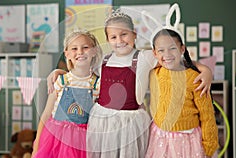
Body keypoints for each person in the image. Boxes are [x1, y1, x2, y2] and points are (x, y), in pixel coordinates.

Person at [47, 8, 213, 158]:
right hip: (103, 119)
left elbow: (174, 59)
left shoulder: (146, 56)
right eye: (113, 37)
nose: (119, 40)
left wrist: (205, 70)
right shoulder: (102, 59)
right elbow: (80, 69)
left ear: (134, 34)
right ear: (108, 39)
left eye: (124, 34)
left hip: (131, 121)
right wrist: (58, 72)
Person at [145, 3, 218, 158]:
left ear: (182, 49)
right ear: (155, 53)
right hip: (160, 138)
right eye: (161, 50)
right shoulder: (154, 73)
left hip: (188, 140)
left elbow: (207, 114)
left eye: (172, 48)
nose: (167, 54)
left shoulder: (195, 78)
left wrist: (209, 145)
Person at [32, 29, 102, 158]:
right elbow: (46, 114)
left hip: (83, 143)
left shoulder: (98, 84)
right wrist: (36, 145)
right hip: (55, 140)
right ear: (67, 54)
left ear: (94, 51)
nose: (80, 52)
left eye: (85, 47)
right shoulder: (60, 81)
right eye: (74, 48)